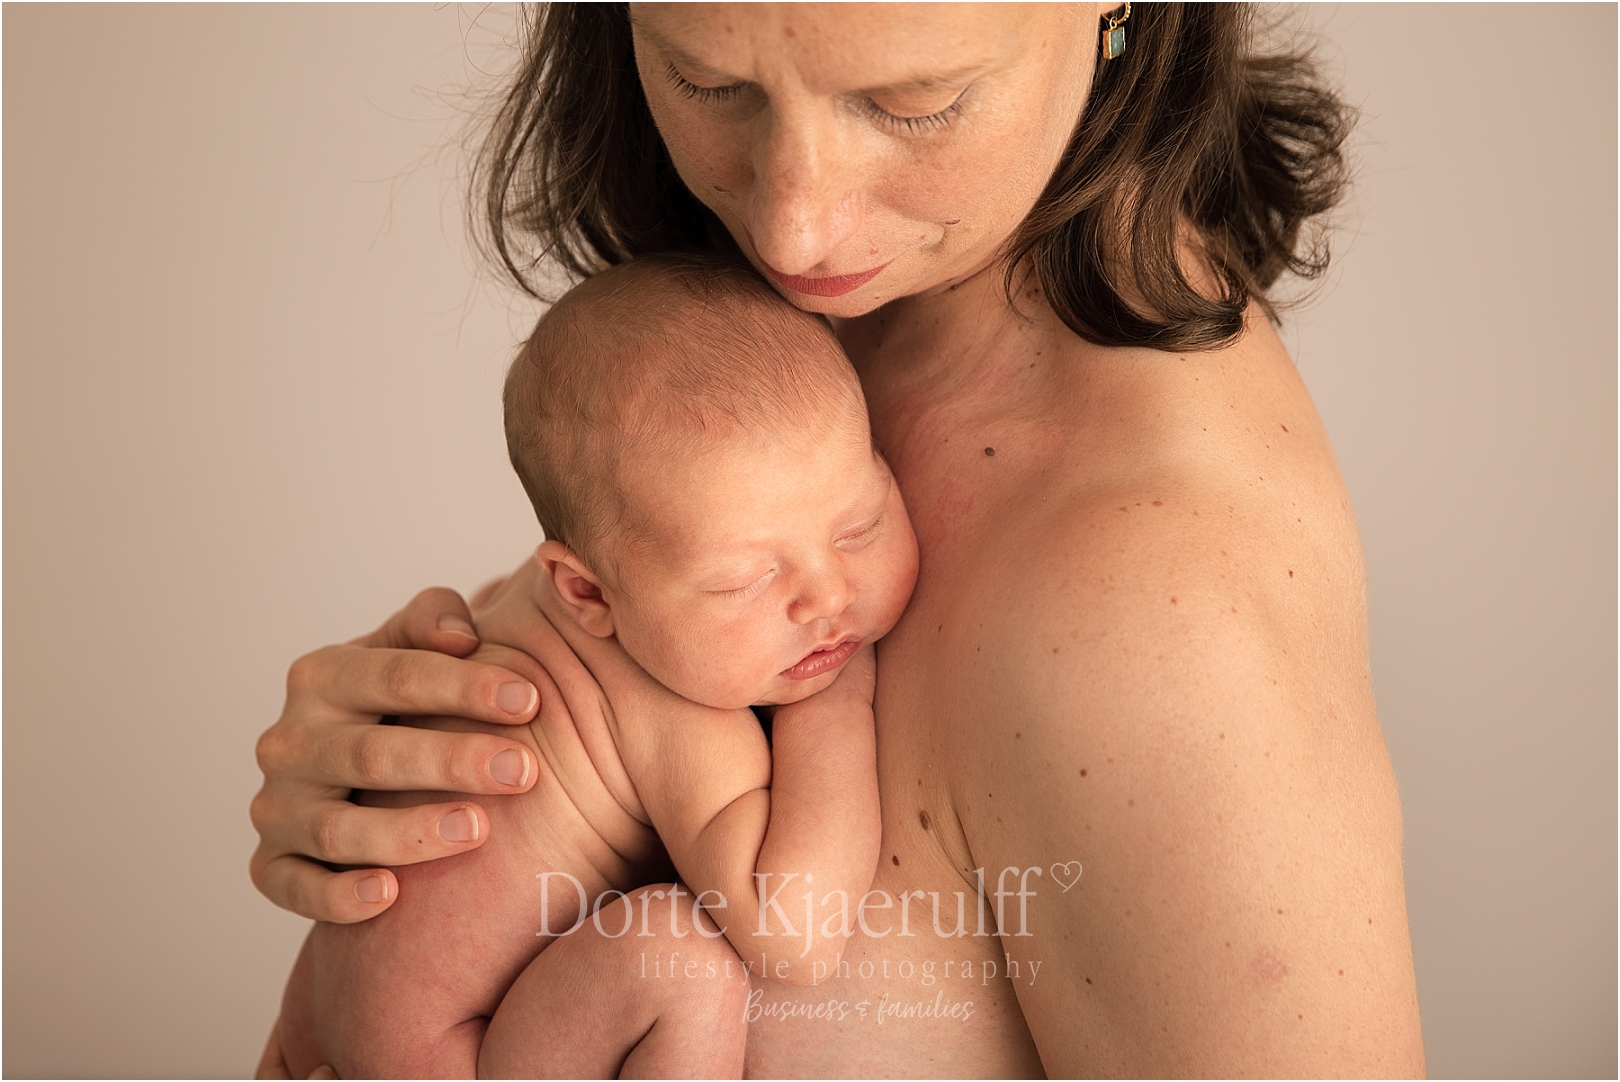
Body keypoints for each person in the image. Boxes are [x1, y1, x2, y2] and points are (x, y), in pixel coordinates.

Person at [253, 4, 1426, 1076]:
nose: (792, 223)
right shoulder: (790, 334)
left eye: (914, 100)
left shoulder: (1166, 604)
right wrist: (404, 786)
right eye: (708, 83)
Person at [276, 254, 917, 1077]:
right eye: (744, 581)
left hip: (319, 1021)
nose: (827, 598)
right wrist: (838, 703)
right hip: (454, 1056)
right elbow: (794, 937)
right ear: (587, 592)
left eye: (860, 525)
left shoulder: (513, 603)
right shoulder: (673, 706)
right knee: (681, 953)